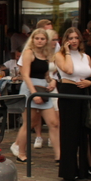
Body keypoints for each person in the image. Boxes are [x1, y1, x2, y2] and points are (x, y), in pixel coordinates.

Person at [12, 28, 60, 164]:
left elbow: (47, 74)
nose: (39, 41)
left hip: (43, 88)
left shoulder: (47, 54)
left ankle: (59, 156)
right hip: (30, 88)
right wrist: (34, 93)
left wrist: (52, 82)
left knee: (54, 122)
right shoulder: (28, 53)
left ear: (46, 41)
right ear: (32, 39)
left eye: (42, 39)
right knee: (30, 123)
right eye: (37, 38)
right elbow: (25, 75)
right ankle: (21, 153)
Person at [55, 27, 91, 181]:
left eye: (76, 38)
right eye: (70, 38)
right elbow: (69, 70)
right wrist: (68, 52)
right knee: (69, 132)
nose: (74, 41)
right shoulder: (60, 55)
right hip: (68, 92)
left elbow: (90, 74)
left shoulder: (86, 56)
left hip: (84, 93)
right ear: (66, 40)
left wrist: (89, 82)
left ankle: (85, 170)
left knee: (85, 132)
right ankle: (69, 171)